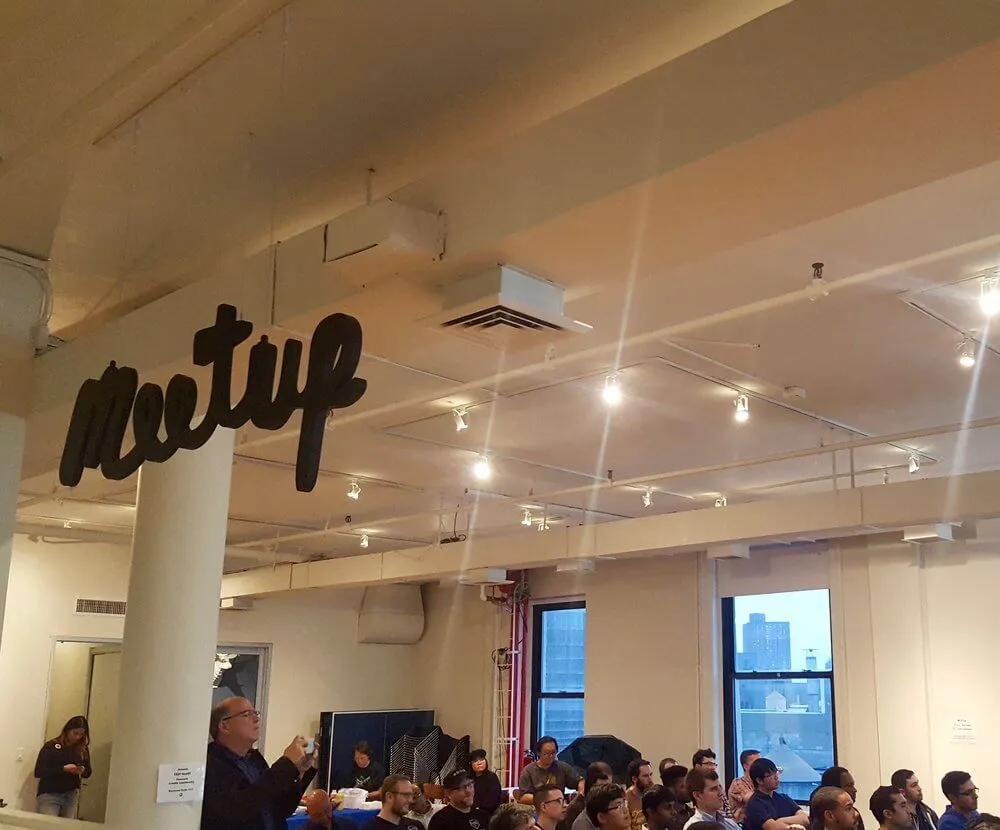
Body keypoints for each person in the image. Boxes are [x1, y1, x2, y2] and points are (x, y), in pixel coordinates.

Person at [201, 697, 316, 830]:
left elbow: (280, 809)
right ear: (224, 726)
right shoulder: (209, 763)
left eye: (255, 713)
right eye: (246, 714)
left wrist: (299, 770)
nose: (256, 719)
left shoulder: (255, 758)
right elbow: (238, 808)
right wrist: (287, 762)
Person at [34, 715, 92, 818]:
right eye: (75, 733)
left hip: (71, 794)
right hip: (50, 793)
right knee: (49, 824)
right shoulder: (51, 746)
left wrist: (81, 770)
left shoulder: (82, 749)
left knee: (66, 825)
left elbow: (88, 772)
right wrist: (63, 769)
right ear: (68, 730)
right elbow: (39, 771)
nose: (77, 737)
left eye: (81, 734)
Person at [743, 758, 808, 830]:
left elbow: (805, 819)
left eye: (776, 772)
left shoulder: (783, 798)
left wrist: (780, 820)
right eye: (770, 775)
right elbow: (773, 827)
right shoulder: (754, 803)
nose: (776, 777)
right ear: (759, 780)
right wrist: (792, 825)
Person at [518, 737, 582, 805]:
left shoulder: (562, 767)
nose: (551, 756)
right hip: (537, 807)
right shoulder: (528, 771)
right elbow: (523, 797)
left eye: (553, 753)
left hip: (559, 806)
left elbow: (579, 781)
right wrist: (548, 799)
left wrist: (580, 792)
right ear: (538, 753)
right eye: (547, 753)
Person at [569, 762, 614, 830]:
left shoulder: (611, 803)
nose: (606, 791)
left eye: (609, 786)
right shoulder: (575, 808)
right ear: (591, 785)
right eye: (602, 787)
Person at [691, 751, 732, 820]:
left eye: (714, 764)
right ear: (697, 766)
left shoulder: (718, 785)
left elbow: (727, 810)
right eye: (709, 764)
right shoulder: (692, 787)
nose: (713, 767)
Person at [728, 750, 760, 825]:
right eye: (756, 763)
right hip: (741, 824)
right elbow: (755, 802)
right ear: (745, 766)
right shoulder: (738, 783)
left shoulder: (759, 782)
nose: (760, 766)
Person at [471, 749, 504, 816]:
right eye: (475, 761)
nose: (479, 763)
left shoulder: (492, 777)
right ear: (471, 764)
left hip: (488, 813)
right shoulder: (468, 778)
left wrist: (478, 808)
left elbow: (493, 800)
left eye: (481, 759)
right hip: (470, 811)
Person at [627, 760, 656, 827]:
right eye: (645, 776)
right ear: (634, 779)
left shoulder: (655, 794)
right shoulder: (626, 800)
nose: (650, 780)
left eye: (651, 774)